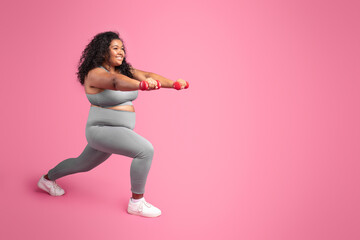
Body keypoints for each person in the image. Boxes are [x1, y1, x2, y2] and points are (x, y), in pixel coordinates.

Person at [37, 31, 188, 218]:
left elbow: (146, 74)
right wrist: (140, 85)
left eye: (122, 48)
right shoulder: (94, 74)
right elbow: (115, 82)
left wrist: (173, 83)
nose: (121, 52)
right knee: (145, 150)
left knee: (82, 164)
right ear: (102, 51)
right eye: (115, 48)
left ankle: (47, 179)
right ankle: (137, 202)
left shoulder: (125, 71)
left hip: (116, 130)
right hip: (101, 130)